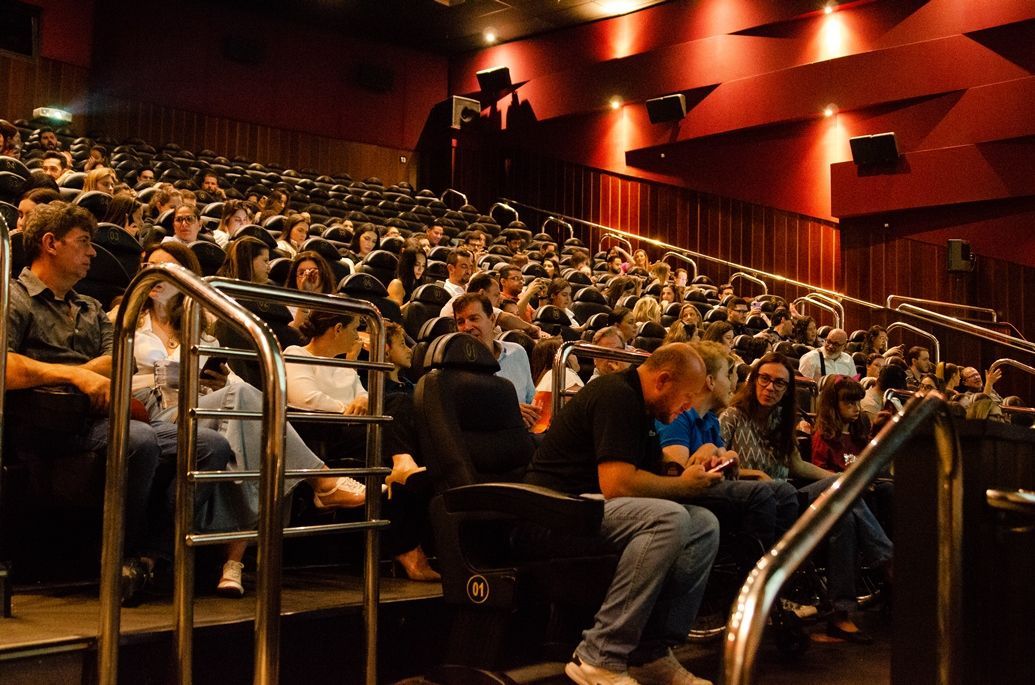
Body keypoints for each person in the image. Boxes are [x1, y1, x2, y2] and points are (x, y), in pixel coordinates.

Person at [6, 201, 236, 606]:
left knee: (209, 445)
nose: (93, 253)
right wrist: (73, 374)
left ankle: (150, 558)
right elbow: (4, 367)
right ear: (49, 244)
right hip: (47, 429)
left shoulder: (91, 308)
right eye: (83, 243)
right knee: (140, 439)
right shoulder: (13, 298)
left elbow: (121, 362)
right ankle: (118, 559)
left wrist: (73, 371)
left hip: (98, 420)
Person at [135, 244, 368, 596]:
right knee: (245, 407)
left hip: (201, 408)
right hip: (154, 412)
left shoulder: (201, 331)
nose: (157, 275)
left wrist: (218, 376)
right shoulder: (125, 320)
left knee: (248, 422)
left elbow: (235, 385)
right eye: (151, 267)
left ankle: (233, 563)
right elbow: (113, 371)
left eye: (168, 269)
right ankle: (320, 481)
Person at [525, 344, 719, 685]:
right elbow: (617, 484)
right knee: (670, 518)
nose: (689, 407)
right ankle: (599, 656)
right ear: (663, 380)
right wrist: (685, 488)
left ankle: (650, 653)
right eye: (687, 397)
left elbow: (651, 476)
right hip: (556, 511)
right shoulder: (616, 395)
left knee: (704, 524)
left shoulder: (646, 409)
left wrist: (690, 467)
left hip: (592, 508)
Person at [720, 353, 892, 643]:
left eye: (779, 383)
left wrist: (838, 478)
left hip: (787, 496)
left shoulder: (780, 420)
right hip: (749, 499)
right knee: (841, 497)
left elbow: (797, 466)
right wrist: (754, 474)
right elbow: (719, 461)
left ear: (787, 390)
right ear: (753, 381)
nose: (770, 387)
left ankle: (841, 614)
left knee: (844, 514)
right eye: (764, 379)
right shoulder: (732, 416)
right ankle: (887, 561)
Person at [284, 310, 439, 581]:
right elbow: (306, 400)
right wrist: (350, 408)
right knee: (398, 406)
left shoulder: (345, 367)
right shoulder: (295, 353)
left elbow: (367, 398)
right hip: (322, 435)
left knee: (401, 409)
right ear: (338, 328)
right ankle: (408, 547)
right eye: (356, 329)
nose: (359, 337)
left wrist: (363, 405)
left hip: (359, 430)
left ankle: (410, 544)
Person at [657, 341, 799, 573]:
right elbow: (678, 472)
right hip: (685, 495)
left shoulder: (711, 420)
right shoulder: (681, 415)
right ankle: (754, 583)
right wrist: (710, 455)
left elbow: (728, 467)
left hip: (714, 487)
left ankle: (781, 577)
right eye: (729, 374)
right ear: (711, 381)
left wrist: (727, 456)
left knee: (784, 491)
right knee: (763, 493)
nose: (735, 382)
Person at [453, 293, 539, 429]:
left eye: (474, 318)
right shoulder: (455, 364)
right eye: (460, 322)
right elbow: (463, 418)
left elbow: (531, 400)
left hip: (524, 435)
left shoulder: (517, 352)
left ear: (492, 320)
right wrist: (509, 413)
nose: (467, 327)